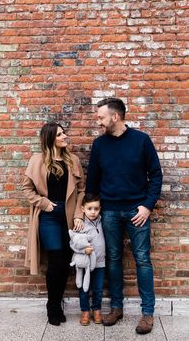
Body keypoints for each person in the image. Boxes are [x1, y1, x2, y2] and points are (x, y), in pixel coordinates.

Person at [86, 97, 162, 334]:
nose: (98, 121)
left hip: (136, 211)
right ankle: (116, 307)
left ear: (115, 116)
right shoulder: (99, 145)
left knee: (142, 260)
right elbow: (92, 184)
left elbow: (156, 175)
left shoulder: (141, 141)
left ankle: (147, 313)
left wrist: (147, 206)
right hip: (109, 211)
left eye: (101, 117)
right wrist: (91, 212)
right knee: (113, 259)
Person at [23, 122, 85, 326]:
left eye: (64, 132)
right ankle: (53, 305)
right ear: (50, 139)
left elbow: (82, 190)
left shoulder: (73, 160)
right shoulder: (37, 160)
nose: (65, 136)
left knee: (66, 260)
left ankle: (56, 303)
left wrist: (78, 215)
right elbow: (27, 190)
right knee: (56, 259)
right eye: (60, 134)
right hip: (49, 216)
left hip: (69, 215)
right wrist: (44, 203)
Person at [70, 193, 105, 326]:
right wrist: (83, 250)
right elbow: (73, 243)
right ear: (83, 209)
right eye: (89, 209)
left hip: (100, 262)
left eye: (96, 209)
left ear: (100, 209)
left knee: (98, 288)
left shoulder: (102, 221)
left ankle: (97, 310)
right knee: (84, 288)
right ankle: (85, 311)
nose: (93, 212)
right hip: (85, 263)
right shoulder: (80, 225)